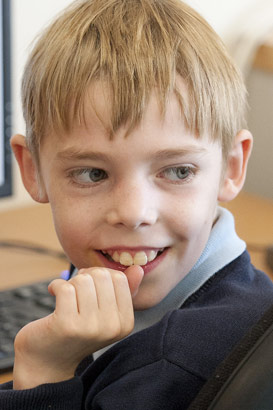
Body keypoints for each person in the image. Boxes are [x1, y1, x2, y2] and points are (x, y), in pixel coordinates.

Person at [1, 0, 273, 408]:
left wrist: (43, 371)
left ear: (231, 167)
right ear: (32, 169)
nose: (132, 213)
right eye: (93, 174)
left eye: (178, 171)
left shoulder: (169, 369)